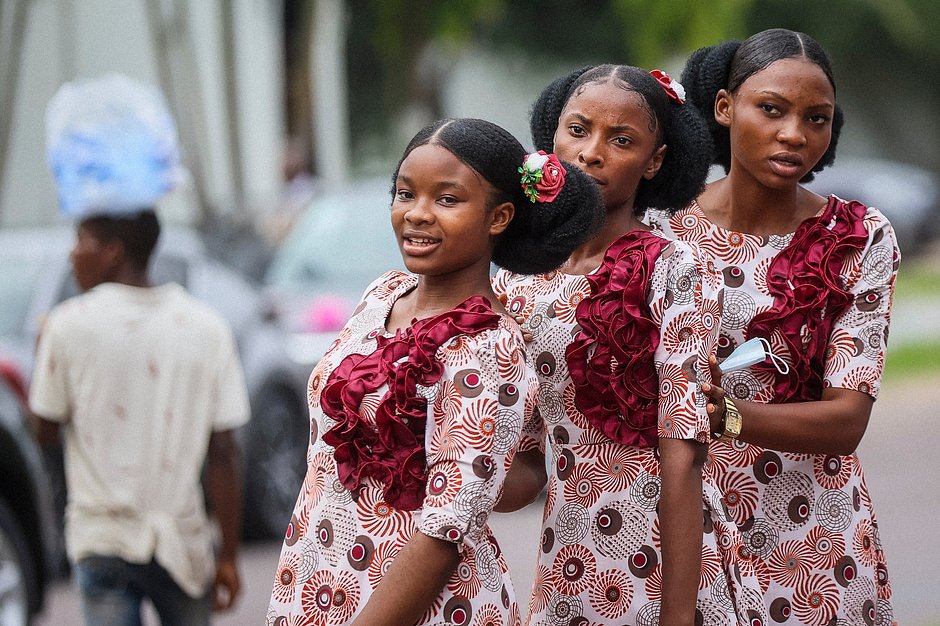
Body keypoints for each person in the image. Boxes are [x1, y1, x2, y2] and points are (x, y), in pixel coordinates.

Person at [266, 117, 604, 626]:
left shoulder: (490, 348)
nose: (416, 215)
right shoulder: (382, 294)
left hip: (417, 604)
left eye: (447, 199)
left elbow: (448, 529)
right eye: (405, 194)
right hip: (316, 580)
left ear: (499, 217)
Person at [493, 64, 763, 625]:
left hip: (669, 558)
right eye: (578, 129)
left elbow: (684, 454)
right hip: (568, 563)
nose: (591, 152)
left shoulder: (676, 268)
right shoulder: (517, 278)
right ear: (552, 140)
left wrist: (678, 616)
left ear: (655, 161)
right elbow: (524, 464)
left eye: (622, 140)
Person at [647, 28, 899, 624]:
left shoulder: (859, 237)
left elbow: (845, 420)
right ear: (725, 107)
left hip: (814, 543)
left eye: (817, 118)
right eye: (772, 109)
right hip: (680, 529)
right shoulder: (657, 232)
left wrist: (723, 415)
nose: (795, 134)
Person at [29, 74, 250, 625]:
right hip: (184, 543)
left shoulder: (67, 325)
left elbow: (45, 431)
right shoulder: (204, 325)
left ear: (113, 250)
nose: (73, 253)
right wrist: (228, 555)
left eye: (81, 239)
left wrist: (47, 357)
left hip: (102, 538)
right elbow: (225, 450)